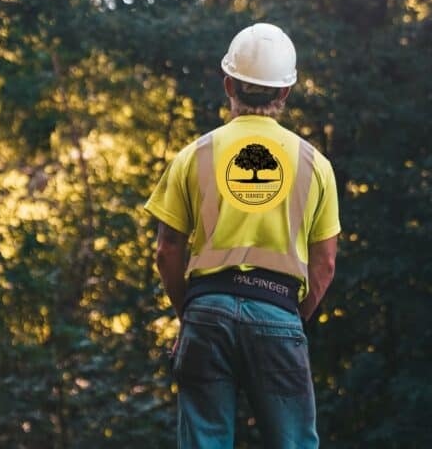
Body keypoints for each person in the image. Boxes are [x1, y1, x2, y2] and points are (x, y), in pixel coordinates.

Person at [145, 23, 340, 448]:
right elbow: (324, 265)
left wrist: (190, 311)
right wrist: (288, 319)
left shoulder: (193, 156)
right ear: (284, 93)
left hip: (206, 312)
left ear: (228, 83)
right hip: (279, 307)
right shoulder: (315, 164)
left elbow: (166, 250)